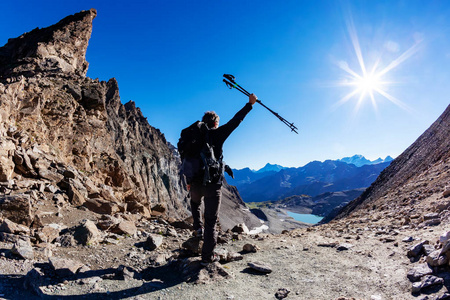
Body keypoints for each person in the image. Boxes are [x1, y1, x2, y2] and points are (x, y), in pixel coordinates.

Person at [188, 93, 257, 265]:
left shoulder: (193, 138)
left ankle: (197, 229)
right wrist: (250, 104)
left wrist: (189, 181)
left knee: (195, 204)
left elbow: (187, 160)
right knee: (211, 221)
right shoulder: (218, 134)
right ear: (215, 123)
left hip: (195, 183)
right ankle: (207, 257)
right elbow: (236, 121)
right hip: (212, 185)